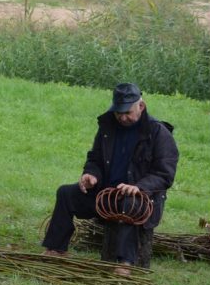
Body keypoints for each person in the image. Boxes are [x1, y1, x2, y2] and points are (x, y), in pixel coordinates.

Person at [41, 83, 178, 273]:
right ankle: (56, 249)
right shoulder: (108, 127)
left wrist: (138, 187)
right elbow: (95, 158)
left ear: (141, 106)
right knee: (65, 193)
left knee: (130, 203)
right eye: (118, 112)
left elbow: (165, 174)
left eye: (127, 112)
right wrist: (91, 175)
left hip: (142, 199)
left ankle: (125, 263)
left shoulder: (158, 133)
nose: (122, 117)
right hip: (105, 196)